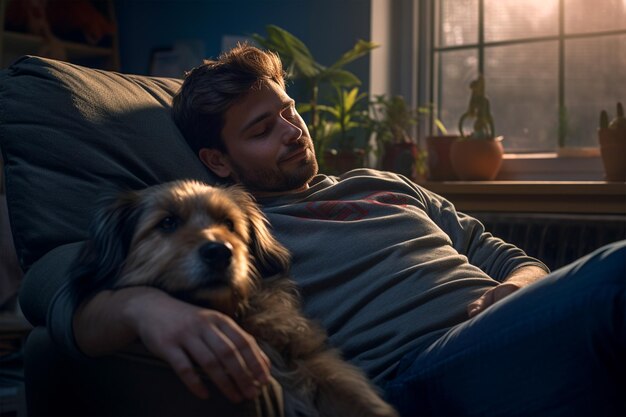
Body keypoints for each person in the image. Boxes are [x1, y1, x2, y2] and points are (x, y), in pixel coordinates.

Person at [54, 44, 624, 416]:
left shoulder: (382, 180)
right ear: (219, 160)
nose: (291, 131)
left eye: (288, 111)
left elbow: (502, 254)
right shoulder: (242, 232)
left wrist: (522, 284)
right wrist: (141, 309)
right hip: (422, 371)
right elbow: (57, 284)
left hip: (515, 326)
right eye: (261, 128)